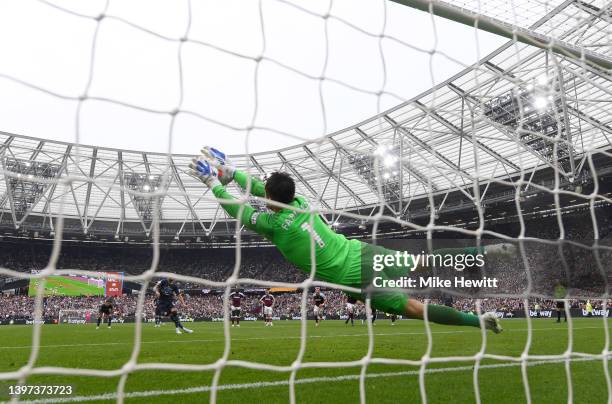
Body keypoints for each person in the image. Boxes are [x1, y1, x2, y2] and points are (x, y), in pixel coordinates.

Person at [190, 147, 514, 333]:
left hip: (355, 277)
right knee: (422, 260)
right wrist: (233, 173)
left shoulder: (274, 225)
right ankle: (485, 250)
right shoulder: (300, 202)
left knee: (415, 308)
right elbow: (263, 189)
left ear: (272, 200)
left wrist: (215, 183)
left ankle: (480, 323)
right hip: (362, 251)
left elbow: (238, 208)